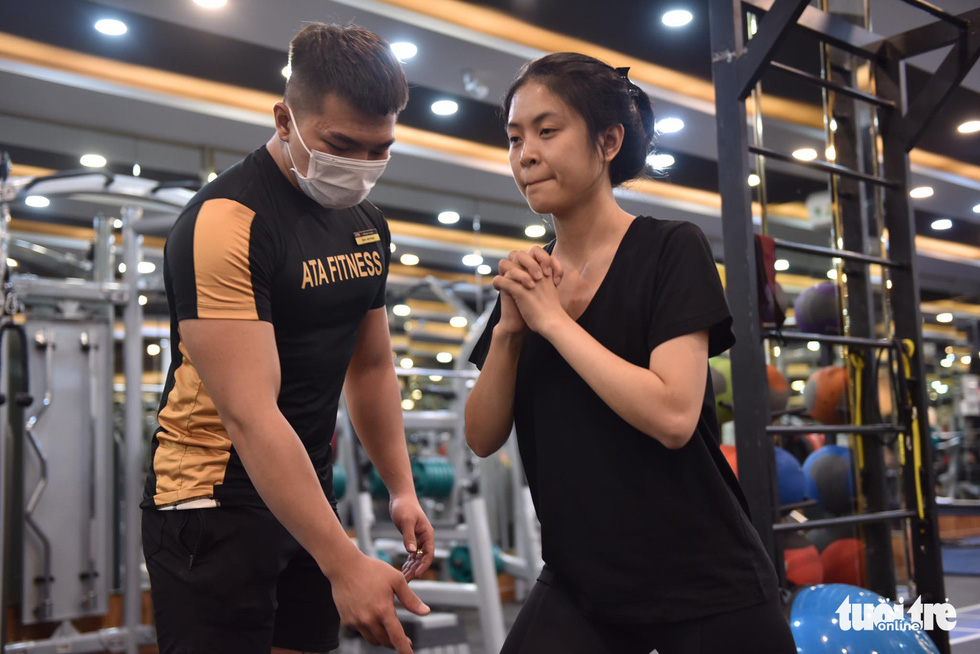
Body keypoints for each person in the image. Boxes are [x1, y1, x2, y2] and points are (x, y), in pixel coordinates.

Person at [465, 53, 796, 654]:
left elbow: (673, 416)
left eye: (547, 130)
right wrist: (512, 331)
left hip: (702, 582)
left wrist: (552, 322)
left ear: (608, 140)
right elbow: (482, 436)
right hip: (582, 582)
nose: (525, 154)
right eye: (515, 138)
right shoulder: (533, 280)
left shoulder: (671, 249)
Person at [141, 23, 434, 654]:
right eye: (340, 144)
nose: (360, 167)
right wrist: (343, 561)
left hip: (303, 492)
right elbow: (249, 415)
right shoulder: (226, 221)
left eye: (379, 148)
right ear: (284, 118)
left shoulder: (367, 223)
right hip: (210, 501)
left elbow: (372, 367)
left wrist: (401, 487)